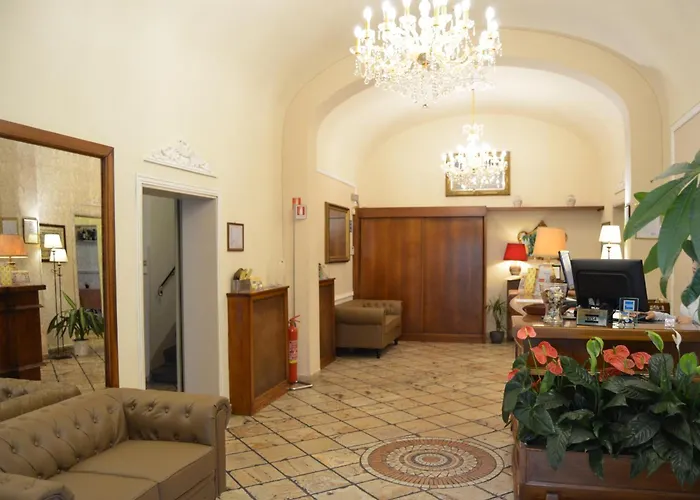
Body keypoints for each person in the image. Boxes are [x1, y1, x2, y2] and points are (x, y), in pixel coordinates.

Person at [644, 260, 699, 325]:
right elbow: (679, 321)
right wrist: (658, 316)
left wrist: (693, 323)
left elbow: (690, 321)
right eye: (693, 260)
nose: (693, 266)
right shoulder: (692, 289)